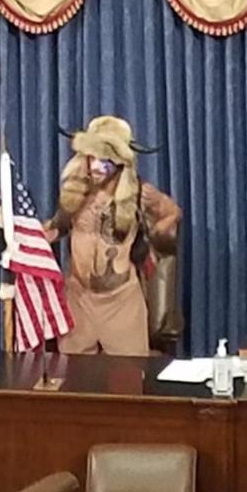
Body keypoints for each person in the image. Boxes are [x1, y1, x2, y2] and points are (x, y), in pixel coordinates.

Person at [46, 116, 180, 356]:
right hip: (79, 300)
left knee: (128, 381)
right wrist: (25, 233)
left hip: (121, 303)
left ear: (119, 163)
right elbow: (57, 227)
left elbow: (173, 212)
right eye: (92, 157)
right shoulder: (76, 193)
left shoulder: (140, 193)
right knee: (76, 380)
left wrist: (159, 235)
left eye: (104, 160)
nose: (96, 166)